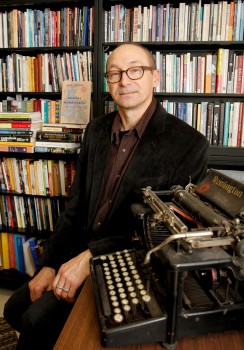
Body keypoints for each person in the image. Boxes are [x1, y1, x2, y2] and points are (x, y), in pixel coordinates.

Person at [4, 43, 209, 349]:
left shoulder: (189, 144)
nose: (124, 80)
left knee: (35, 323)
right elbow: (75, 207)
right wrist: (50, 263)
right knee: (13, 308)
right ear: (108, 82)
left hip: (130, 264)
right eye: (114, 73)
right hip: (76, 250)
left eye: (135, 70)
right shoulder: (96, 131)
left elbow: (161, 233)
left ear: (155, 77)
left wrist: (90, 258)